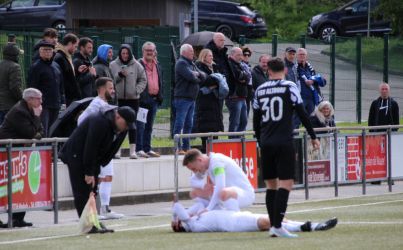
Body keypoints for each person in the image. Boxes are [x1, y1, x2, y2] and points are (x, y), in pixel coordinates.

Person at [253, 57, 320, 238]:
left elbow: (256, 121)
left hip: (266, 142)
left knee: (270, 185)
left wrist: (260, 142)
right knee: (286, 183)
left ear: (269, 71)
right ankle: (277, 225)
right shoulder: (289, 86)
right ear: (284, 70)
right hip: (283, 141)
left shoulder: (260, 90)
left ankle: (274, 225)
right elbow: (302, 112)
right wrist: (313, 136)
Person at [59, 106, 136, 233]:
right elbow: (91, 147)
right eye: (126, 124)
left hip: (93, 157)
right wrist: (89, 172)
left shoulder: (122, 128)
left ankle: (94, 221)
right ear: (117, 117)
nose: (126, 128)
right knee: (83, 189)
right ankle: (88, 225)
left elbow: (110, 150)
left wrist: (96, 170)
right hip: (76, 154)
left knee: (93, 190)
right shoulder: (99, 121)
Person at [77, 77, 123, 220]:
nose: (113, 90)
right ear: (102, 89)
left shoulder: (104, 104)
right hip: (98, 147)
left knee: (108, 176)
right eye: (110, 88)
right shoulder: (96, 104)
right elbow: (81, 121)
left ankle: (105, 208)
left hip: (106, 145)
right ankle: (95, 210)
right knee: (100, 177)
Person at [0, 88, 43, 228]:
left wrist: (34, 132)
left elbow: (41, 131)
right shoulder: (19, 111)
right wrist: (36, 118)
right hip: (8, 153)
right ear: (29, 99)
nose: (41, 102)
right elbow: (30, 132)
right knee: (6, 186)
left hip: (20, 153)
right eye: (38, 98)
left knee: (21, 185)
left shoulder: (29, 110)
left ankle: (18, 218)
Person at [171, 201, 338, 233]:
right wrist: (174, 213)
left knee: (275, 218)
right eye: (177, 221)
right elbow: (178, 208)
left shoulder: (195, 216)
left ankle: (314, 225)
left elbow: (197, 206)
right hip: (235, 225)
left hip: (237, 216)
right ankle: (306, 227)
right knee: (267, 221)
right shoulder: (192, 225)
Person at [183, 149, 255, 212]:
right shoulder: (206, 165)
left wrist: (209, 208)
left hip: (245, 194)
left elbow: (220, 186)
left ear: (200, 160)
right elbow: (192, 181)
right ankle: (217, 210)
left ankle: (234, 214)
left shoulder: (216, 162)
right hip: (226, 194)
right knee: (194, 193)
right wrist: (203, 185)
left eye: (194, 169)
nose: (195, 172)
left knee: (223, 192)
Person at [110, 44, 147, 159]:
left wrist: (136, 91)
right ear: (120, 54)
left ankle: (132, 151)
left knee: (132, 125)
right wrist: (119, 75)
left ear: (130, 53)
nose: (125, 56)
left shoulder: (137, 65)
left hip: (133, 100)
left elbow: (143, 79)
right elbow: (110, 80)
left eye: (127, 53)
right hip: (119, 99)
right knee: (118, 125)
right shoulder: (113, 65)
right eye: (123, 53)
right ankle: (117, 150)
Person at [173, 44, 206, 154]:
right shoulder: (181, 63)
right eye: (191, 51)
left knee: (188, 124)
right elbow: (191, 77)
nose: (193, 53)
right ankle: (177, 147)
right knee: (180, 123)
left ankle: (186, 147)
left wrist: (197, 74)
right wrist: (197, 76)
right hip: (182, 98)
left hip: (191, 98)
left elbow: (204, 76)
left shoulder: (191, 63)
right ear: (184, 52)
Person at [28, 41, 64, 136]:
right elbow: (32, 87)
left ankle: (52, 151)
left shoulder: (56, 66)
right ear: (40, 52)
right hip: (43, 105)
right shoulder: (36, 67)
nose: (48, 52)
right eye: (45, 50)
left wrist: (62, 100)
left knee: (53, 131)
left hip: (56, 104)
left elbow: (60, 85)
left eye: (50, 50)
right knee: (44, 131)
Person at [194, 48, 225, 152]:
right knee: (206, 126)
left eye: (212, 55)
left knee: (215, 126)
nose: (212, 57)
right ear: (204, 56)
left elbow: (222, 80)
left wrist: (215, 83)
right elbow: (206, 80)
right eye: (209, 55)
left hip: (215, 100)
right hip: (204, 101)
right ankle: (205, 148)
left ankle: (214, 149)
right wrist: (216, 81)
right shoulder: (199, 66)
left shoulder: (215, 67)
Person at [138, 42, 164, 158]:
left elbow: (160, 80)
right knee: (140, 125)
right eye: (147, 50)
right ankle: (139, 149)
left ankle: (147, 149)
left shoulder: (157, 64)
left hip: (154, 100)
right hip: (142, 101)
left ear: (155, 52)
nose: (149, 52)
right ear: (143, 51)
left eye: (151, 50)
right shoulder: (138, 64)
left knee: (149, 126)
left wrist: (160, 96)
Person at [226, 47, 250, 134]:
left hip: (242, 97)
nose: (241, 57)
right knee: (235, 122)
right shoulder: (229, 64)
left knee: (244, 121)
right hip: (234, 97)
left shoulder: (240, 64)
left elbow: (248, 77)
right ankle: (232, 141)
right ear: (232, 55)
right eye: (238, 55)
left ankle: (240, 141)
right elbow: (237, 76)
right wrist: (243, 76)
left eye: (241, 55)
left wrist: (244, 77)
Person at [53, 33, 81, 107]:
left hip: (69, 96)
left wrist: (77, 71)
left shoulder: (66, 56)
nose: (76, 49)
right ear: (70, 43)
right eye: (75, 46)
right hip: (66, 97)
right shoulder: (60, 58)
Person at [296, 48, 325, 116]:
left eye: (303, 54)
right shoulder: (294, 68)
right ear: (297, 56)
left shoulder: (310, 68)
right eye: (300, 54)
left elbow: (321, 81)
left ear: (306, 56)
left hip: (311, 98)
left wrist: (313, 80)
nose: (302, 56)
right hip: (300, 98)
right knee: (297, 118)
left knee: (311, 119)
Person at [0, 43, 23, 125]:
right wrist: (22, 99)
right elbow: (15, 87)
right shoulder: (15, 67)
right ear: (15, 55)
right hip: (9, 106)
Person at [241, 46, 253, 116]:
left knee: (247, 105)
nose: (247, 56)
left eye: (248, 55)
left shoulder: (249, 66)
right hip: (243, 87)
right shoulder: (241, 65)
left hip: (249, 88)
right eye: (245, 54)